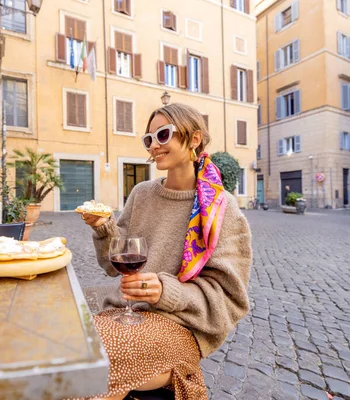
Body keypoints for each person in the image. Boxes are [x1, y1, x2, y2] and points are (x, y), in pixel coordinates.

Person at [79, 103, 252, 400]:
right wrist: (105, 228)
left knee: (94, 362)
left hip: (182, 326)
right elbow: (114, 263)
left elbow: (228, 297)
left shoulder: (222, 210)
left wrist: (166, 292)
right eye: (149, 139)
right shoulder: (142, 194)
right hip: (125, 312)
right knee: (69, 348)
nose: (154, 146)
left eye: (162, 135)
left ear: (194, 139)